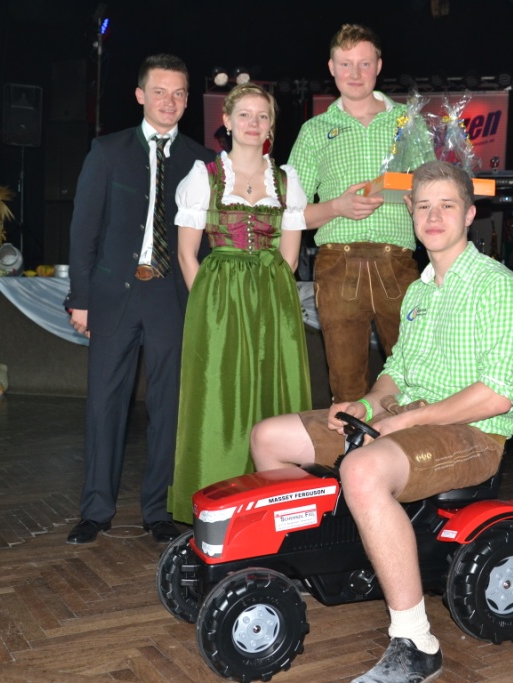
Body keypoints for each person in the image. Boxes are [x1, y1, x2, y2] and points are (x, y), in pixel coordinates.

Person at [250, 161, 513, 683]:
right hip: (410, 417)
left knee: (361, 469)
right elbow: (397, 374)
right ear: (410, 211)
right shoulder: (420, 291)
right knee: (269, 437)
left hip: (474, 433)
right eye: (423, 206)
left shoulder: (499, 287)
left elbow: (497, 395)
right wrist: (366, 405)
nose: (434, 216)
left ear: (469, 214)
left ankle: (416, 642)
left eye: (447, 205)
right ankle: (304, 565)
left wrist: (408, 420)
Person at [64, 54, 213, 545]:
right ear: (140, 95)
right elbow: (83, 230)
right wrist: (80, 298)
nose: (170, 101)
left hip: (172, 297)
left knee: (169, 407)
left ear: (187, 101)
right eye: (160, 91)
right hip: (115, 297)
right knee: (104, 404)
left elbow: (205, 241)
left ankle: (159, 510)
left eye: (179, 93)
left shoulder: (202, 161)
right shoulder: (107, 151)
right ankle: (95, 510)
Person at [166, 83, 311, 523]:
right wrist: (210, 309)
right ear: (227, 121)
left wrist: (269, 301)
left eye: (262, 116)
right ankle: (219, 501)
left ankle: (276, 506)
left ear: (271, 126)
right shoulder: (204, 176)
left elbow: (289, 259)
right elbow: (187, 255)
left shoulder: (286, 180)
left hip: (272, 301)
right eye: (244, 115)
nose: (253, 123)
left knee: (273, 392)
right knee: (219, 396)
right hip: (218, 303)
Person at [288, 23, 435, 403]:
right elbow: (292, 214)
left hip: (399, 261)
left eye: (364, 63)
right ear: (331, 67)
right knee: (346, 390)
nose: (355, 73)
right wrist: (337, 207)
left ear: (379, 66)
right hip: (337, 264)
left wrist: (419, 200)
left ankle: (412, 443)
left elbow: (433, 196)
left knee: (415, 383)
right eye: (346, 64)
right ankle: (351, 442)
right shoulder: (314, 131)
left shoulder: (409, 122)